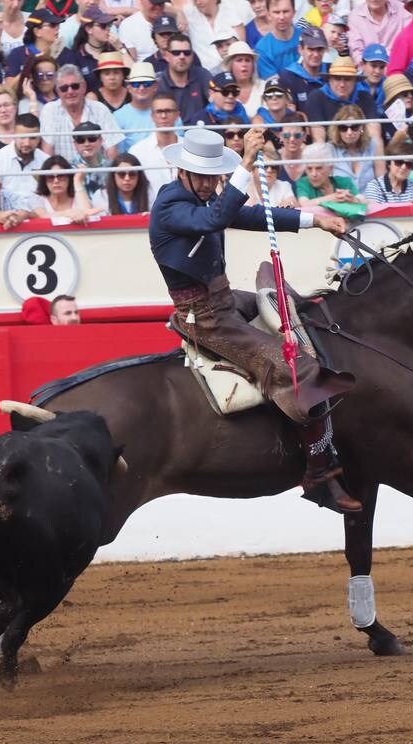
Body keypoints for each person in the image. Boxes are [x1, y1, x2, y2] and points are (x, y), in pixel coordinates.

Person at [149, 127, 357, 512]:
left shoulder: (198, 198)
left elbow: (245, 215)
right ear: (183, 173)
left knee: (301, 315)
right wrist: (244, 164)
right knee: (298, 367)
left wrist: (314, 220)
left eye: (216, 176)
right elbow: (215, 219)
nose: (213, 183)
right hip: (205, 318)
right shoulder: (170, 205)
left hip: (224, 300)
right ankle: (318, 475)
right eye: (206, 176)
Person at [40, 63, 123, 160]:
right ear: (58, 91)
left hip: (98, 172)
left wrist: (107, 174)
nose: (70, 91)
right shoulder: (49, 110)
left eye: (75, 86)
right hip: (63, 173)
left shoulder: (100, 109)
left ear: (84, 87)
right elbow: (47, 150)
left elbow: (111, 149)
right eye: (64, 88)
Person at [130, 93, 182, 195]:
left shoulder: (189, 147)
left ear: (177, 115)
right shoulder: (137, 151)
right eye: (159, 112)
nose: (163, 116)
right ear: (152, 116)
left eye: (168, 111)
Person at [0, 111, 48, 197]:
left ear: (39, 138)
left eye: (32, 138)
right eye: (22, 137)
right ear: (14, 135)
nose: (27, 143)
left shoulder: (45, 161)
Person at [156, 32, 212, 122]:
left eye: (187, 52)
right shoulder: (158, 82)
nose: (182, 56)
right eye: (176, 53)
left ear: (192, 55)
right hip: (171, 132)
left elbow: (216, 103)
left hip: (201, 131)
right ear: (166, 56)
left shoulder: (203, 75)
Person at [327, 103, 382, 192]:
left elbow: (381, 181)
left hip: (369, 202)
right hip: (341, 203)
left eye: (354, 127)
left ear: (362, 127)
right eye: (343, 128)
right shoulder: (330, 149)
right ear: (337, 129)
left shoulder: (373, 145)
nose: (349, 132)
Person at [32, 153, 101, 220]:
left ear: (69, 178)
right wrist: (68, 213)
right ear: (44, 180)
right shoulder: (38, 199)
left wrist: (77, 181)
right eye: (50, 177)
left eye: (61, 176)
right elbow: (43, 216)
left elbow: (87, 214)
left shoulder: (78, 198)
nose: (56, 181)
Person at [349, 0, 411, 65]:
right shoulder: (355, 16)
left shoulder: (403, 10)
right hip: (367, 69)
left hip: (398, 67)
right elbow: (356, 51)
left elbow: (409, 43)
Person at [363, 135, 413, 202]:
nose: (403, 167)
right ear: (389, 163)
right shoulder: (374, 186)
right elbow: (375, 211)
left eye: (409, 164)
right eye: (399, 162)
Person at [255, 0, 299, 79]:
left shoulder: (306, 37)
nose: (281, 17)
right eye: (276, 12)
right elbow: (274, 83)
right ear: (268, 15)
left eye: (285, 11)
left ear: (294, 13)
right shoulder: (262, 48)